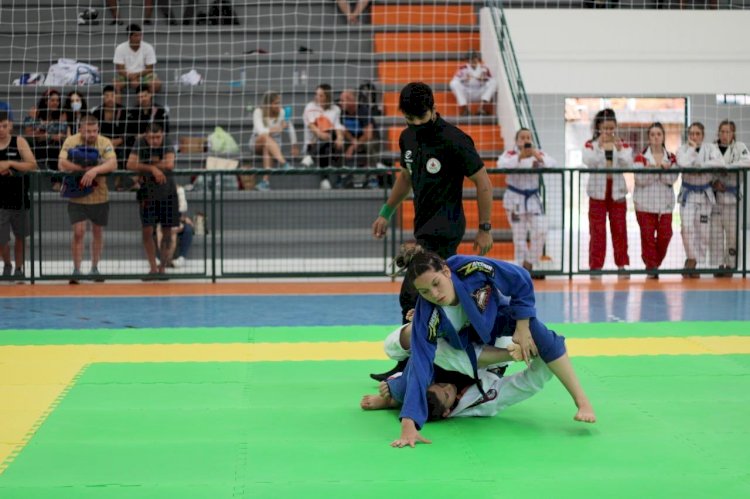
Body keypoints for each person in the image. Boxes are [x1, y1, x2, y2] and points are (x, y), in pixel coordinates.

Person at [388, 245, 595, 448]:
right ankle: (391, 392)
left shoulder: (470, 267)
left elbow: (519, 278)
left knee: (539, 331)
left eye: (436, 284)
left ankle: (582, 401)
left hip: (495, 318)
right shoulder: (426, 315)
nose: (434, 294)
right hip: (463, 344)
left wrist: (522, 327)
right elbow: (420, 365)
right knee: (407, 357)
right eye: (424, 292)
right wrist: (409, 425)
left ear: (446, 271)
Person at [369, 82, 493, 382]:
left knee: (412, 293)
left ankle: (410, 367)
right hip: (423, 229)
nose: (416, 125)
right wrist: (386, 211)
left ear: (433, 109)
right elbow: (405, 176)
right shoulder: (407, 137)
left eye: (421, 119)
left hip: (446, 229)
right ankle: (425, 364)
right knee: (427, 297)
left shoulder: (454, 140)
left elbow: (483, 182)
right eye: (410, 119)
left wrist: (485, 228)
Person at [58, 115, 118, 284]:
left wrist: (94, 171)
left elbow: (113, 164)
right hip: (77, 196)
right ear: (80, 129)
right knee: (78, 233)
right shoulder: (71, 141)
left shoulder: (104, 142)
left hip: (99, 195)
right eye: (87, 131)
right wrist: (82, 169)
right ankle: (76, 270)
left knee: (97, 232)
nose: (92, 134)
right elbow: (61, 163)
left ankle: (95, 267)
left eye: (94, 131)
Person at [497, 128, 556, 277]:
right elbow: (501, 165)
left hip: (532, 200)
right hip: (514, 200)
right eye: (522, 138)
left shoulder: (538, 154)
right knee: (519, 236)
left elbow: (552, 163)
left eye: (528, 137)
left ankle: (529, 263)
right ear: (517, 141)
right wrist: (520, 157)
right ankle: (520, 271)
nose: (526, 140)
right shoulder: (510, 154)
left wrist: (538, 157)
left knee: (542, 229)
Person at [582, 108, 633, 278]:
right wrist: (601, 148)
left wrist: (617, 150)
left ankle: (622, 266)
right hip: (597, 194)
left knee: (619, 230)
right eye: (605, 128)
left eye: (612, 128)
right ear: (599, 128)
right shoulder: (591, 144)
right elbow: (589, 162)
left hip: (617, 193)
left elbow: (627, 163)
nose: (609, 132)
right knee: (597, 231)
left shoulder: (622, 144)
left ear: (616, 127)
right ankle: (595, 267)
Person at [127, 123, 177, 278]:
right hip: (147, 191)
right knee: (147, 230)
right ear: (145, 136)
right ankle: (153, 268)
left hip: (167, 191)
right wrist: (153, 169)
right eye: (151, 138)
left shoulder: (167, 141)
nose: (154, 141)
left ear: (162, 134)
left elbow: (169, 164)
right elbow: (129, 164)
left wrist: (144, 166)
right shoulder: (140, 142)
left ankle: (163, 267)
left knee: (167, 232)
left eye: (157, 137)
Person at [676, 122, 724, 278]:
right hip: (688, 195)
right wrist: (692, 150)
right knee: (686, 228)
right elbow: (682, 163)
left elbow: (720, 163)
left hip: (705, 195)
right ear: (688, 135)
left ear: (703, 136)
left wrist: (701, 165)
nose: (694, 136)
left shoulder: (710, 148)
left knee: (703, 232)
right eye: (692, 133)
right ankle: (691, 259)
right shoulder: (683, 149)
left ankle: (696, 263)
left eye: (698, 134)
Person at [633, 122, 678, 279]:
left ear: (663, 136)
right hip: (644, 204)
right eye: (652, 134)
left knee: (666, 235)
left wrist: (654, 169)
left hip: (665, 205)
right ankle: (652, 268)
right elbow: (640, 180)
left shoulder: (672, 158)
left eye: (659, 134)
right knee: (647, 238)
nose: (656, 137)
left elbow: (672, 179)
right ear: (648, 138)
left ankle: (653, 263)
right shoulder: (640, 157)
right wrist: (658, 169)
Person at [0, 111, 37, 280]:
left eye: (4, 126)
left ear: (10, 126)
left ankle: (19, 268)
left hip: (20, 198)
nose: (1, 129)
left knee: (20, 237)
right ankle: (7, 264)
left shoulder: (19, 141)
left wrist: (11, 164)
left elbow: (32, 164)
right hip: (0, 201)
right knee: (1, 239)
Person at [710, 120, 750, 276]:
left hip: (732, 199)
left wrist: (727, 168)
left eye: (728, 131)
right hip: (715, 199)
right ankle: (719, 265)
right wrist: (714, 182)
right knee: (716, 235)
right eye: (722, 131)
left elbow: (747, 161)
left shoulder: (740, 147)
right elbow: (706, 168)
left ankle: (731, 265)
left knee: (733, 234)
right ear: (718, 133)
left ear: (733, 133)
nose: (725, 134)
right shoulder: (712, 148)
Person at [250, 91, 299, 191]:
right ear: (268, 104)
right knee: (265, 138)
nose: (279, 105)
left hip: (274, 144)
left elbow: (290, 127)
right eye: (276, 103)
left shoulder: (282, 112)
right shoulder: (258, 112)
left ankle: (265, 182)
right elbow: (261, 132)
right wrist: (278, 128)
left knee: (267, 147)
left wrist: (294, 145)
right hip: (257, 141)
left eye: (279, 102)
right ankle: (283, 163)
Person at [302, 84, 346, 190]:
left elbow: (337, 126)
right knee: (327, 135)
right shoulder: (310, 107)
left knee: (333, 138)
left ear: (328, 97)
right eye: (316, 95)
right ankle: (332, 179)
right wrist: (321, 134)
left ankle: (313, 160)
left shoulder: (335, 109)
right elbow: (311, 125)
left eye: (321, 96)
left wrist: (340, 137)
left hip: (328, 142)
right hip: (312, 144)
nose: (317, 98)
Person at [22, 89, 69, 181]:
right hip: (37, 145)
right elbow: (29, 134)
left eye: (57, 100)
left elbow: (61, 135)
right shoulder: (35, 112)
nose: (55, 103)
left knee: (56, 148)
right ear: (45, 101)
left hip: (54, 146)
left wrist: (42, 134)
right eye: (52, 100)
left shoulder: (62, 114)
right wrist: (49, 135)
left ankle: (57, 180)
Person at [339, 89, 380, 188]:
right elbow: (343, 130)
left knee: (369, 145)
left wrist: (353, 146)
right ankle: (345, 175)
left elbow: (369, 135)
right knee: (338, 143)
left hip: (369, 140)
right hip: (353, 140)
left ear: (351, 101)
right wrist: (353, 142)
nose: (340, 103)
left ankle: (373, 177)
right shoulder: (341, 112)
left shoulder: (363, 111)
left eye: (342, 100)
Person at [91, 85, 129, 190]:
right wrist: (106, 143)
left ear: (116, 96)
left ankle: (119, 181)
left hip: (119, 143)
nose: (109, 98)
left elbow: (127, 131)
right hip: (101, 143)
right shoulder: (97, 112)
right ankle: (97, 181)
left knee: (124, 150)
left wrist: (117, 142)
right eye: (106, 96)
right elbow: (94, 131)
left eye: (112, 95)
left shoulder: (123, 111)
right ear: (103, 97)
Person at [113, 24, 161, 96]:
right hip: (125, 75)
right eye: (135, 35)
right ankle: (118, 107)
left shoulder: (148, 47)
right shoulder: (120, 48)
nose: (139, 38)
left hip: (143, 74)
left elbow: (150, 69)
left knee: (157, 84)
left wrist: (136, 76)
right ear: (129, 36)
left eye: (140, 35)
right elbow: (120, 70)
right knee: (116, 84)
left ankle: (147, 104)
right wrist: (131, 77)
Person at [448, 50, 497, 117]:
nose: (472, 61)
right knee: (454, 83)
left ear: (477, 59)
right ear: (468, 60)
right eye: (470, 59)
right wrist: (464, 79)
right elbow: (455, 80)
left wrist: (483, 79)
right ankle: (465, 110)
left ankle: (481, 108)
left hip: (480, 91)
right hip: (467, 92)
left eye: (474, 58)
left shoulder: (484, 68)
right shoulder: (462, 68)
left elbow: (490, 79)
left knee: (494, 82)